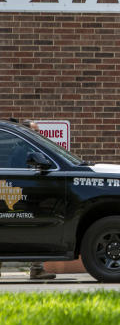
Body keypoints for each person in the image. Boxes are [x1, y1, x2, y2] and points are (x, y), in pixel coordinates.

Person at [0, 119, 56, 280]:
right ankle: (37, 269)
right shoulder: (22, 151)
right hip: (23, 197)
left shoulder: (25, 150)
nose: (38, 135)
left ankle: (37, 268)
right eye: (35, 132)